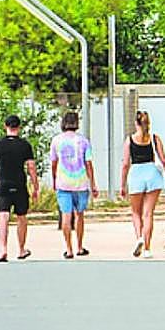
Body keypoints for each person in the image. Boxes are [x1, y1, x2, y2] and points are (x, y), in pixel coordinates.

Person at [119, 110, 165, 259]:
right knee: (148, 214)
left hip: (136, 175)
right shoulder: (155, 138)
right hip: (152, 174)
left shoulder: (129, 140)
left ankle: (139, 238)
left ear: (136, 123)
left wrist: (122, 185)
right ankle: (148, 249)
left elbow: (125, 164)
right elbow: (163, 159)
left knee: (136, 213)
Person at [0, 114, 39, 262]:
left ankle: (3, 249)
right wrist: (35, 186)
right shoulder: (25, 145)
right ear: (19, 127)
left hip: (3, 184)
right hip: (19, 184)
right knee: (21, 217)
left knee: (3, 216)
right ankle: (21, 249)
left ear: (5, 126)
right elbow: (31, 167)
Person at [49, 111, 99, 259]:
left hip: (63, 182)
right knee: (79, 215)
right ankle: (79, 246)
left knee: (66, 214)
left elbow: (53, 162)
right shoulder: (83, 141)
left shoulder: (56, 141)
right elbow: (88, 163)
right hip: (81, 182)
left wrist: (54, 179)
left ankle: (68, 249)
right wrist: (93, 183)